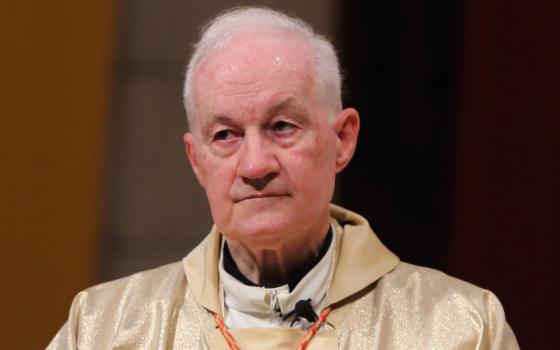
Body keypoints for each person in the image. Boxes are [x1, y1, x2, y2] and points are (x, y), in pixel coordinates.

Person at [48, 7, 519, 349]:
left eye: (281, 127)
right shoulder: (103, 329)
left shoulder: (460, 329)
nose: (255, 166)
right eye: (226, 135)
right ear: (197, 160)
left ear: (343, 140)